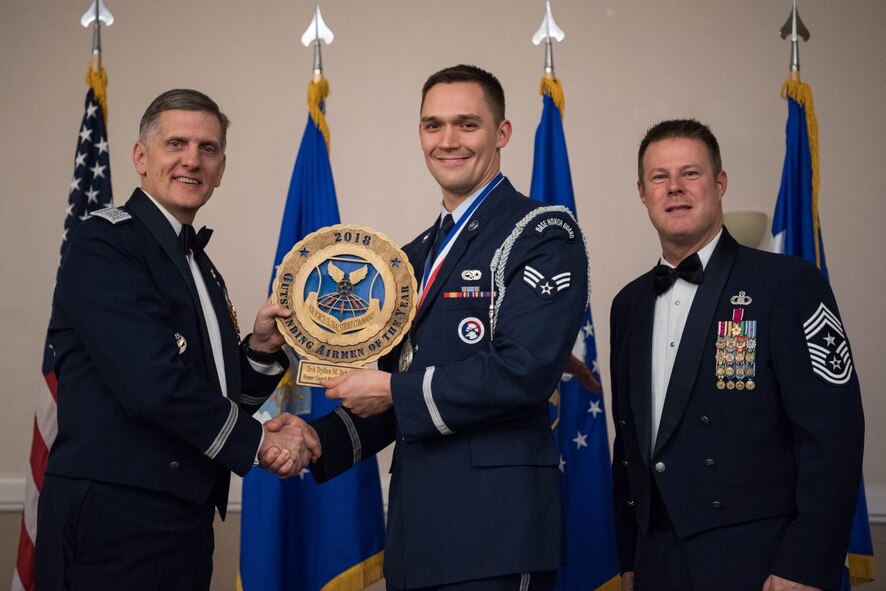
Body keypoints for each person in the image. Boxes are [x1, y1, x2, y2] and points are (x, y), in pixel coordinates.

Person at [273, 64, 588, 589]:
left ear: (502, 133)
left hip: (496, 533)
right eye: (433, 125)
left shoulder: (541, 232)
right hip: (416, 532)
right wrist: (316, 437)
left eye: (467, 124)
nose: (448, 141)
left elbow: (524, 370)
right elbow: (394, 395)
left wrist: (392, 388)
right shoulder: (414, 255)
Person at [35, 89, 320, 591]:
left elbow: (210, 396)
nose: (192, 160)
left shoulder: (198, 264)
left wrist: (258, 350)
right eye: (177, 144)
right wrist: (258, 443)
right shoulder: (106, 243)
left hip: (181, 516)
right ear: (141, 157)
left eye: (207, 149)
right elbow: (153, 384)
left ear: (222, 165)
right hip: (116, 516)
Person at [609, 119, 864, 591]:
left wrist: (804, 564)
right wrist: (628, 558)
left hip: (763, 561)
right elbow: (629, 445)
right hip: (655, 561)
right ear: (643, 192)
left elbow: (834, 437)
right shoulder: (628, 304)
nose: (676, 189)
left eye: (691, 173)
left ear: (720, 184)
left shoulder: (787, 284)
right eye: (660, 177)